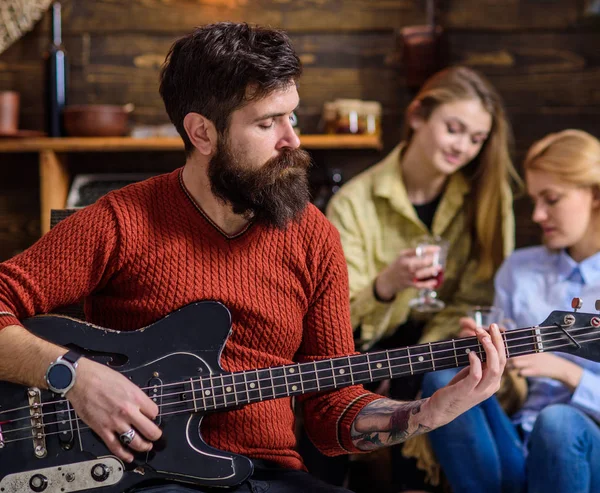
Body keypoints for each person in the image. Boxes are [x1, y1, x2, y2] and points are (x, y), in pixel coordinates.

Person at [0, 23, 506, 493]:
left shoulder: (313, 237)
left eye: (293, 116)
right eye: (268, 123)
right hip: (145, 478)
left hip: (272, 475)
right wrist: (75, 376)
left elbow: (334, 410)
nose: (293, 140)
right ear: (201, 133)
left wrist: (429, 412)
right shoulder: (121, 220)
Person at [325, 66, 521, 491]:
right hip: (368, 348)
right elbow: (339, 324)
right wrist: (387, 285)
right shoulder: (355, 203)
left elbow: (476, 299)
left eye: (476, 139)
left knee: (438, 373)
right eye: (454, 129)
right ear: (418, 116)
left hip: (444, 342)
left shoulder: (488, 197)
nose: (463, 148)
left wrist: (420, 354)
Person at [422, 129, 600, 493]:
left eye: (551, 199)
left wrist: (568, 373)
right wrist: (485, 356)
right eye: (535, 199)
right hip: (518, 434)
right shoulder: (519, 269)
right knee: (442, 382)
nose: (536, 215)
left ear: (595, 194)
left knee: (559, 424)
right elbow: (503, 387)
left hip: (582, 443)